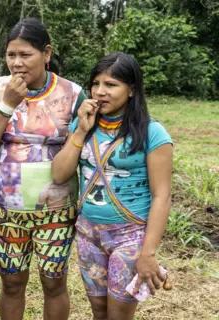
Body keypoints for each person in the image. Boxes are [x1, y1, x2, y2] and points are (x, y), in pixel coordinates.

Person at [0, 18, 87, 320]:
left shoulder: (72, 94)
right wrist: (8, 104)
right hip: (8, 210)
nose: (17, 63)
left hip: (57, 209)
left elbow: (85, 147)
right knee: (11, 283)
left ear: (46, 53)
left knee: (54, 283)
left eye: (26, 55)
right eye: (11, 55)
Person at [52, 52, 173, 320]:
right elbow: (59, 174)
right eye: (96, 84)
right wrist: (81, 131)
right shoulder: (84, 125)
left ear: (131, 90)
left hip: (129, 237)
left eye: (111, 85)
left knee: (118, 315)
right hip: (88, 233)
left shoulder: (153, 133)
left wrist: (148, 253)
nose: (100, 92)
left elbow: (162, 196)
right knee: (99, 312)